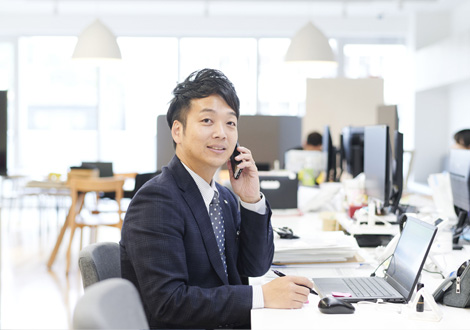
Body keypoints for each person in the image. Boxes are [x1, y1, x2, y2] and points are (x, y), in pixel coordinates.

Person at [120, 68, 313, 329]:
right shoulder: (157, 200)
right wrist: (262, 296)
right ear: (178, 131)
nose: (222, 133)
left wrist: (250, 199)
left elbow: (254, 267)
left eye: (230, 123)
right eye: (207, 121)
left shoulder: (223, 197)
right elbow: (168, 304)